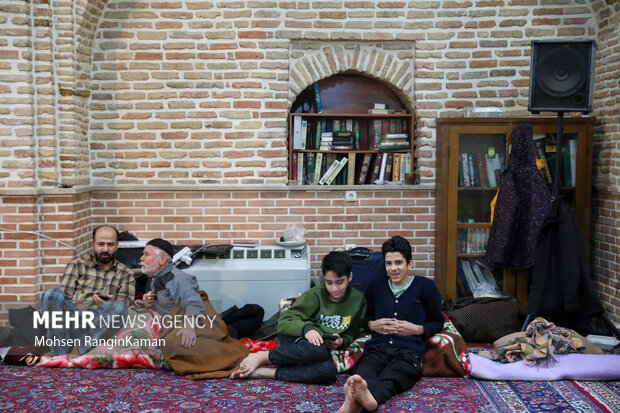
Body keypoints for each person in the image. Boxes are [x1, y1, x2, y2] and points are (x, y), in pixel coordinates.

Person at [338, 235, 444, 413]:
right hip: (377, 348)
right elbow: (363, 318)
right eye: (388, 264)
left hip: (408, 351)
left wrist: (418, 329)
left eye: (398, 263)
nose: (393, 269)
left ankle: (356, 403)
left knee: (395, 375)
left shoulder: (425, 287)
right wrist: (372, 325)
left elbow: (438, 321)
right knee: (363, 373)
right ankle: (364, 399)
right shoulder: (376, 286)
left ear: (409, 264)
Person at [230, 250, 367, 385]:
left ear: (349, 277)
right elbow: (284, 322)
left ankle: (265, 372)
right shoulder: (315, 295)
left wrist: (341, 341)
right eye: (329, 282)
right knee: (318, 350)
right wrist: (307, 329)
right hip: (294, 342)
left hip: (320, 350)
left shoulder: (358, 300)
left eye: (339, 282)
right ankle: (264, 356)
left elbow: (353, 330)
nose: (334, 288)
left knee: (329, 372)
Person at [140, 238, 250, 379]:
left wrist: (189, 326)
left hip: (194, 323)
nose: (141, 258)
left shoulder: (177, 278)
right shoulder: (156, 279)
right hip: (173, 324)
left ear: (162, 259)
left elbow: (194, 302)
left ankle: (238, 356)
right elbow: (167, 307)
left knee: (173, 345)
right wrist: (150, 304)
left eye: (146, 254)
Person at [40, 225, 135, 355]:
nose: (105, 249)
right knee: (51, 295)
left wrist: (106, 305)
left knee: (118, 307)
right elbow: (62, 299)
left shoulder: (126, 274)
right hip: (74, 322)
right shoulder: (77, 265)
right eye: (101, 244)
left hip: (100, 326)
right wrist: (79, 305)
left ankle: (77, 352)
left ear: (117, 245)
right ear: (93, 244)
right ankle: (58, 353)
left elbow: (124, 307)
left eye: (110, 244)